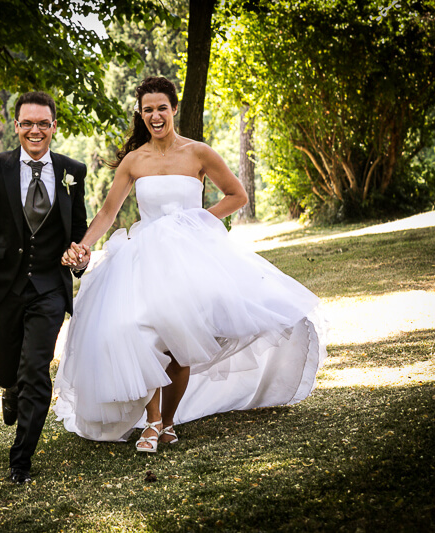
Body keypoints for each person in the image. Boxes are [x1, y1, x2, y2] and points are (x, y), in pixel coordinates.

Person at [53, 76, 327, 452]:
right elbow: (107, 212)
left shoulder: (198, 153)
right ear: (141, 114)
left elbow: (237, 195)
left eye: (161, 108)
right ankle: (151, 422)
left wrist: (197, 221)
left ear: (174, 109)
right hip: (144, 260)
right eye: (148, 110)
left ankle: (167, 422)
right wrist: (83, 246)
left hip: (190, 258)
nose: (155, 116)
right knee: (136, 330)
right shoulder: (134, 160)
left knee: (180, 342)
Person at [0, 91, 88, 482]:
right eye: (27, 123)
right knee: (7, 368)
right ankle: (8, 386)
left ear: (54, 126)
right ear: (16, 126)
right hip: (1, 287)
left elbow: (78, 230)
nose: (35, 130)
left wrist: (80, 256)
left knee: (36, 370)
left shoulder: (72, 171)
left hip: (48, 288)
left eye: (43, 123)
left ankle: (20, 461)